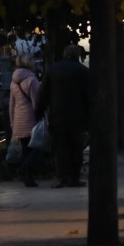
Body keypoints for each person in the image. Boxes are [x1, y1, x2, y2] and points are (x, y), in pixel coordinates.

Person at [35, 44, 92, 188]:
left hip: (57, 115)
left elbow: (43, 94)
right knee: (76, 148)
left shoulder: (53, 70)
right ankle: (74, 178)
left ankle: (62, 177)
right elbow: (89, 96)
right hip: (78, 116)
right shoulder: (84, 71)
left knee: (60, 148)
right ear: (78, 55)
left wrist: (39, 112)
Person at [8, 53, 43, 187]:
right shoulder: (31, 80)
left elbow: (12, 104)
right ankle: (25, 169)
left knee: (26, 150)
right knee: (37, 149)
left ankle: (28, 179)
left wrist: (12, 121)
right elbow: (36, 102)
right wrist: (41, 118)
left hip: (18, 119)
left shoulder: (13, 81)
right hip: (31, 119)